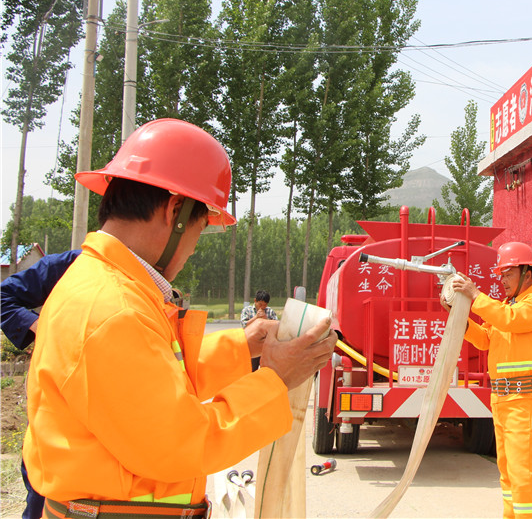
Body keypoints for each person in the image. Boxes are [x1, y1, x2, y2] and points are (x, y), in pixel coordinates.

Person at [23, 118, 337, 518]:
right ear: (176, 211)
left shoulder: (103, 287)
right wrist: (275, 379)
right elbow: (183, 443)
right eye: (200, 230)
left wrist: (244, 346)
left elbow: (150, 378)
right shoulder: (113, 310)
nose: (192, 250)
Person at [442, 242, 532, 519]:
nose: (502, 280)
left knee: (523, 475)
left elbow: (509, 320)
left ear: (528, 274)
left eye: (508, 274)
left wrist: (475, 295)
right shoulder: (506, 307)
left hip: (525, 401)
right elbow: (484, 339)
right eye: (501, 274)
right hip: (504, 400)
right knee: (507, 474)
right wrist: (458, 314)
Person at [1, 250, 80, 519]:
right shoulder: (70, 265)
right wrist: (42, 326)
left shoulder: (152, 279)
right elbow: (3, 297)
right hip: (55, 420)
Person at [240, 290, 278, 371]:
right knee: (251, 369)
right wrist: (256, 317)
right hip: (252, 346)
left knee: (266, 370)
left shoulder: (270, 311)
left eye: (265, 305)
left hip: (266, 347)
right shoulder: (247, 310)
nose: (262, 307)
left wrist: (266, 320)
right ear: (255, 301)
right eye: (260, 304)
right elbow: (244, 325)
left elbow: (277, 327)